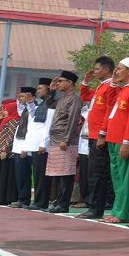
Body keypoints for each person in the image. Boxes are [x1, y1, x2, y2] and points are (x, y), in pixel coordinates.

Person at [98, 58, 129, 224]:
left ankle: (123, 213)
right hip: (113, 137)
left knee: (125, 178)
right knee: (117, 177)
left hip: (124, 141)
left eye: (119, 69)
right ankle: (116, 210)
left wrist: (127, 141)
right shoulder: (122, 89)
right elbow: (110, 102)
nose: (116, 72)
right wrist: (113, 82)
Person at [77, 57, 119, 220]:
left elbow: (109, 112)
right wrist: (86, 82)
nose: (94, 71)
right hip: (92, 135)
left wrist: (103, 133)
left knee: (98, 174)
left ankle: (97, 208)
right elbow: (85, 96)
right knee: (93, 173)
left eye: (97, 69)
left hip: (100, 136)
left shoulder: (110, 87)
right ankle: (93, 206)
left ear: (107, 69)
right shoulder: (101, 87)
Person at [46, 71, 83, 213]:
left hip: (65, 140)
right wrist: (52, 91)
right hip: (56, 140)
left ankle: (63, 204)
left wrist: (66, 139)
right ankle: (59, 202)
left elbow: (73, 120)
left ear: (70, 83)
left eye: (61, 81)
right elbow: (49, 104)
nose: (59, 83)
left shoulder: (74, 98)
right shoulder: (62, 98)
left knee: (66, 173)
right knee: (58, 174)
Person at [24, 79, 57, 211]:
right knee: (37, 175)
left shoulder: (50, 103)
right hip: (36, 145)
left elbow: (48, 126)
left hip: (42, 146)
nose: (38, 91)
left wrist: (44, 144)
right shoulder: (43, 103)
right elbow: (33, 117)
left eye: (40, 88)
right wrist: (30, 103)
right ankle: (38, 200)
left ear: (48, 89)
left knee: (42, 176)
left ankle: (42, 202)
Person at [9, 87, 38, 208]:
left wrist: (25, 149)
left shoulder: (34, 109)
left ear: (31, 97)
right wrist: (19, 99)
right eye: (20, 97)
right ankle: (21, 198)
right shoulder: (24, 110)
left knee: (25, 176)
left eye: (24, 96)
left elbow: (32, 131)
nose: (21, 99)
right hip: (18, 147)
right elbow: (19, 107)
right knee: (20, 175)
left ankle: (25, 199)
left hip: (26, 149)